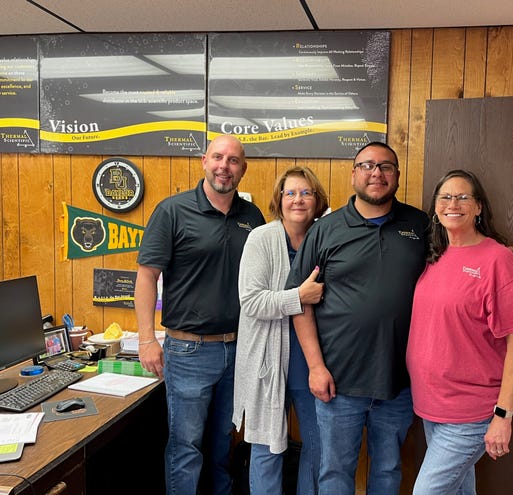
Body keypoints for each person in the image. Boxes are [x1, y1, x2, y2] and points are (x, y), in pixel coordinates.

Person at [285, 142, 429, 495]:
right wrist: (316, 368)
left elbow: (458, 257)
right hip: (338, 382)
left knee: (388, 470)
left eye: (386, 166)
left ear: (396, 175)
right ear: (354, 175)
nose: (376, 173)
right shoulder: (326, 230)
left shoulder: (420, 225)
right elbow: (300, 303)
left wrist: (503, 249)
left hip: (399, 381)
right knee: (335, 474)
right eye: (367, 165)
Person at [135, 134, 265, 495]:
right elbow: (147, 277)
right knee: (186, 446)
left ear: (243, 169)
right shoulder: (172, 211)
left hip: (240, 350)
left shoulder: (252, 217)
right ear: (204, 161)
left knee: (225, 444)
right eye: (218, 158)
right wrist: (147, 339)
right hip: (189, 351)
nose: (225, 166)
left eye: (234, 160)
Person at [406, 169, 513, 495]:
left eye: (463, 197)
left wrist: (503, 416)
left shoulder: (498, 260)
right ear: (435, 206)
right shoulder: (435, 255)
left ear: (479, 207)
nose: (454, 203)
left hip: (471, 412)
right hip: (432, 406)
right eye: (446, 197)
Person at [233, 166, 330, 495]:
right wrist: (298, 297)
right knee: (267, 447)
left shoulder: (326, 238)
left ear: (317, 201)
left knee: (319, 448)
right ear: (279, 199)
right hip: (268, 361)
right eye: (290, 193)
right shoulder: (260, 238)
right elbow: (252, 302)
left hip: (313, 362)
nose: (298, 200)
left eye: (306, 193)